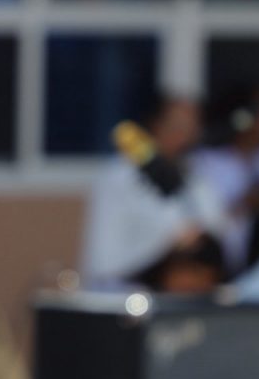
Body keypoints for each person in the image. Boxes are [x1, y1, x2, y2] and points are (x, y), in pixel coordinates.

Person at [80, 95, 230, 293]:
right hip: (130, 299)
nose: (186, 138)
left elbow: (219, 239)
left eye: (193, 129)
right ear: (156, 126)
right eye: (178, 127)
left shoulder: (200, 179)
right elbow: (102, 264)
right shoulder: (119, 179)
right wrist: (167, 245)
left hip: (190, 302)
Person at [191, 86, 259, 279]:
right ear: (243, 119)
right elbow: (198, 223)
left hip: (254, 275)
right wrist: (244, 204)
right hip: (206, 271)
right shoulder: (205, 163)